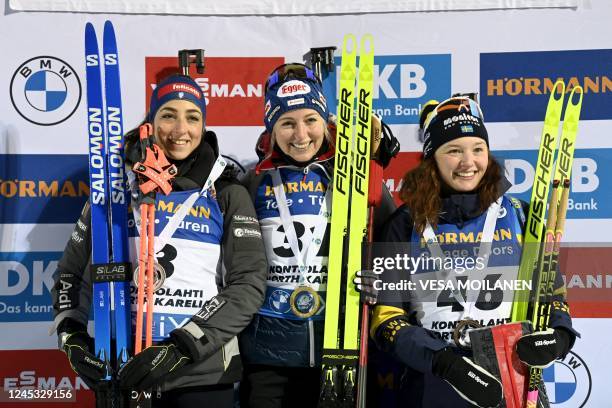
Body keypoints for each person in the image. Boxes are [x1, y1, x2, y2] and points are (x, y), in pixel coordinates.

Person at [50, 74, 268, 407]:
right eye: (168, 115)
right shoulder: (114, 190)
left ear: (204, 126)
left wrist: (183, 347)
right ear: (150, 124)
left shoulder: (225, 192)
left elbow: (248, 283)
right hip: (122, 368)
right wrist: (73, 336)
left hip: (202, 375)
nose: (181, 129)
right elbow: (71, 274)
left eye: (192, 117)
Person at [364, 96, 579, 408]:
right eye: (454, 151)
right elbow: (386, 320)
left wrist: (557, 339)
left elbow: (553, 299)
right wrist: (444, 362)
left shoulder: (521, 216)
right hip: (432, 384)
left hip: (513, 377)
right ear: (431, 158)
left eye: (478, 149)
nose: (469, 162)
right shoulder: (405, 223)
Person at [238, 63, 397, 408]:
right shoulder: (252, 183)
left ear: (325, 120)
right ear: (271, 126)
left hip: (340, 348)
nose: (300, 135)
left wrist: (380, 280)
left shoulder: (356, 178)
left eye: (310, 120)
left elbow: (392, 243)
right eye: (286, 123)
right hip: (268, 355)